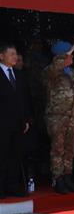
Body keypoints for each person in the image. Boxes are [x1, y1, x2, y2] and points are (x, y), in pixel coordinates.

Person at [44, 41, 74, 193]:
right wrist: (63, 57)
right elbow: (55, 68)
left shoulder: (72, 72)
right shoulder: (50, 71)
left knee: (70, 149)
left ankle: (67, 176)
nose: (72, 56)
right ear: (61, 56)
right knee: (58, 149)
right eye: (69, 54)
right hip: (57, 117)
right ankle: (58, 179)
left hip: (72, 117)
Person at [0, 42, 32, 197]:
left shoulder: (18, 74)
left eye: (16, 54)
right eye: (11, 54)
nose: (15, 57)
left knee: (15, 155)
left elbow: (24, 99)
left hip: (17, 124)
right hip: (2, 123)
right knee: (2, 155)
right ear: (1, 56)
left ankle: (12, 186)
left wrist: (26, 119)